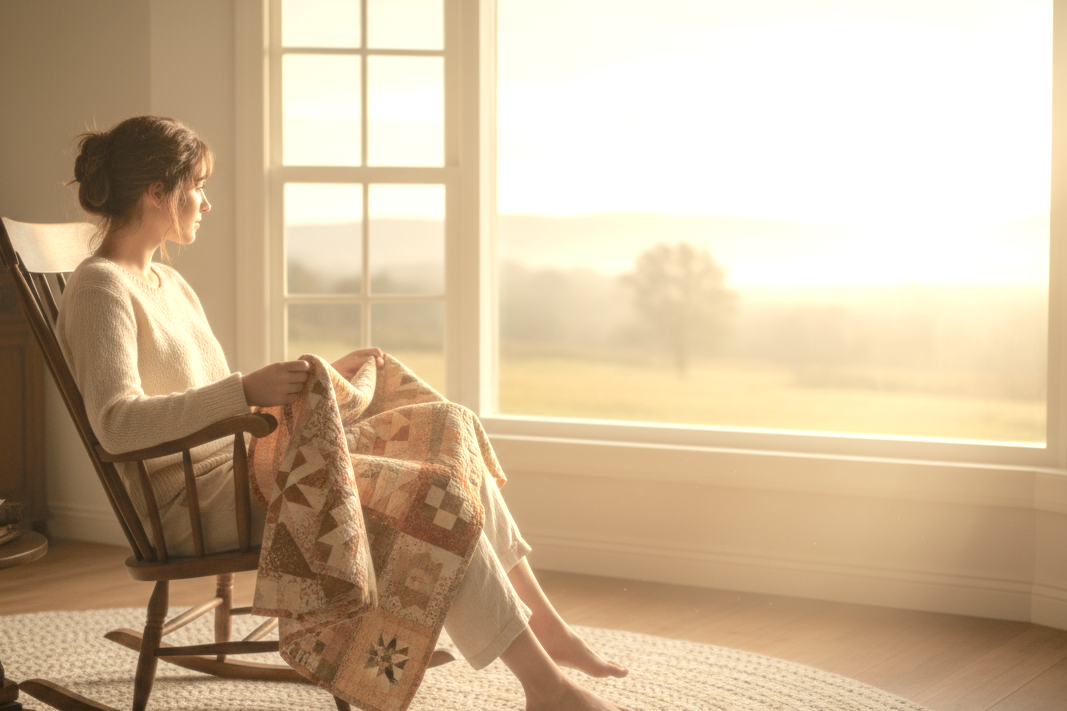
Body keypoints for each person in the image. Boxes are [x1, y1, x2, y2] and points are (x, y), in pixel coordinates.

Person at [57, 115, 629, 711]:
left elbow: (209, 401)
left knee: (446, 425)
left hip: (248, 471)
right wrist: (245, 388)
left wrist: (320, 378)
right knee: (433, 496)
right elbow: (117, 423)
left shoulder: (168, 282)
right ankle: (548, 688)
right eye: (197, 185)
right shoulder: (100, 288)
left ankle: (545, 627)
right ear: (156, 192)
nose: (206, 202)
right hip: (198, 504)